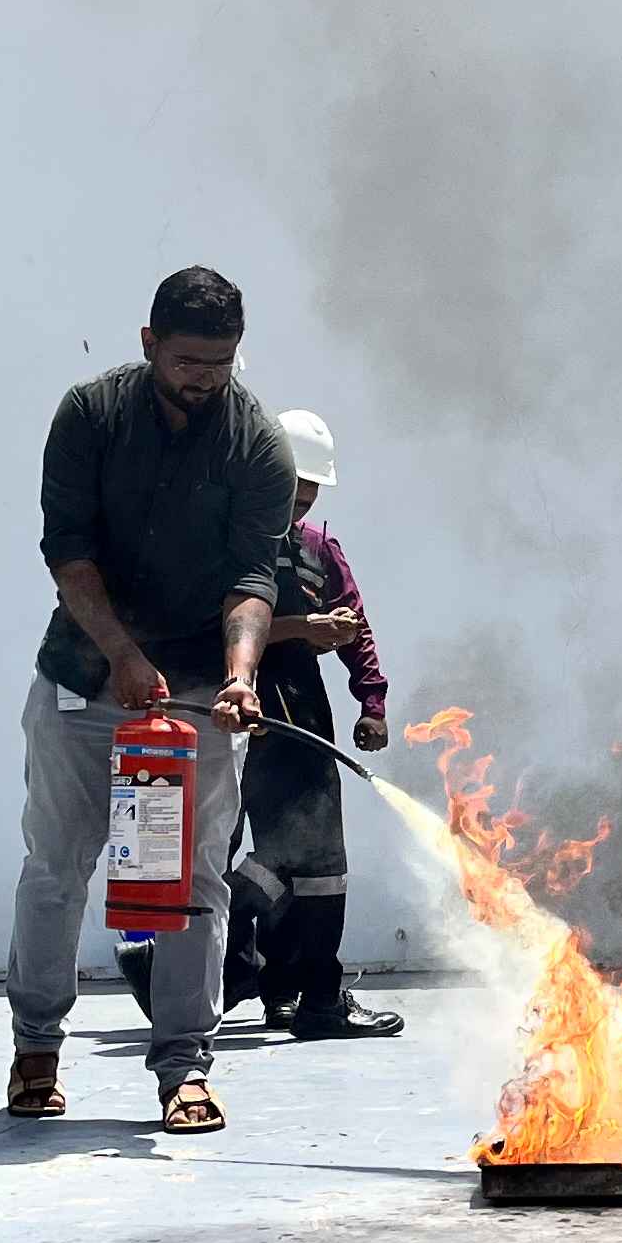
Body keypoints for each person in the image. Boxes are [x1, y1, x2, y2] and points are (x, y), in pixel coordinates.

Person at [8, 266, 292, 1135]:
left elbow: (254, 576)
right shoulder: (90, 416)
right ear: (147, 344)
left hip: (199, 698)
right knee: (57, 871)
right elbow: (69, 554)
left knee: (192, 882)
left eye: (221, 363)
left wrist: (240, 676)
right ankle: (36, 1049)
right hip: (84, 684)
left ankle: (184, 1066)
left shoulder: (258, 443)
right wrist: (122, 655)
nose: (204, 379)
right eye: (187, 361)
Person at [236, 406, 401, 1039]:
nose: (302, 497)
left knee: (314, 862)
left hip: (303, 710)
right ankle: (254, 975)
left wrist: (373, 704)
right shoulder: (234, 542)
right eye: (293, 482)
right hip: (246, 710)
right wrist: (304, 628)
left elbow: (354, 624)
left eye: (312, 488)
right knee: (295, 857)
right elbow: (217, 629)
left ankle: (290, 991)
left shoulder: (317, 549)